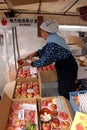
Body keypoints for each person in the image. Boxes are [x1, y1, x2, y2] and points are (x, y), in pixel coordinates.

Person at [22, 19, 78, 100]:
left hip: (67, 66)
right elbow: (45, 50)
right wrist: (35, 53)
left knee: (66, 90)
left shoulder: (53, 43)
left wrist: (31, 64)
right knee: (63, 86)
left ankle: (70, 106)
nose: (41, 34)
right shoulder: (54, 39)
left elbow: (45, 60)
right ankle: (67, 102)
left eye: (42, 31)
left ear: (47, 32)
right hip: (65, 64)